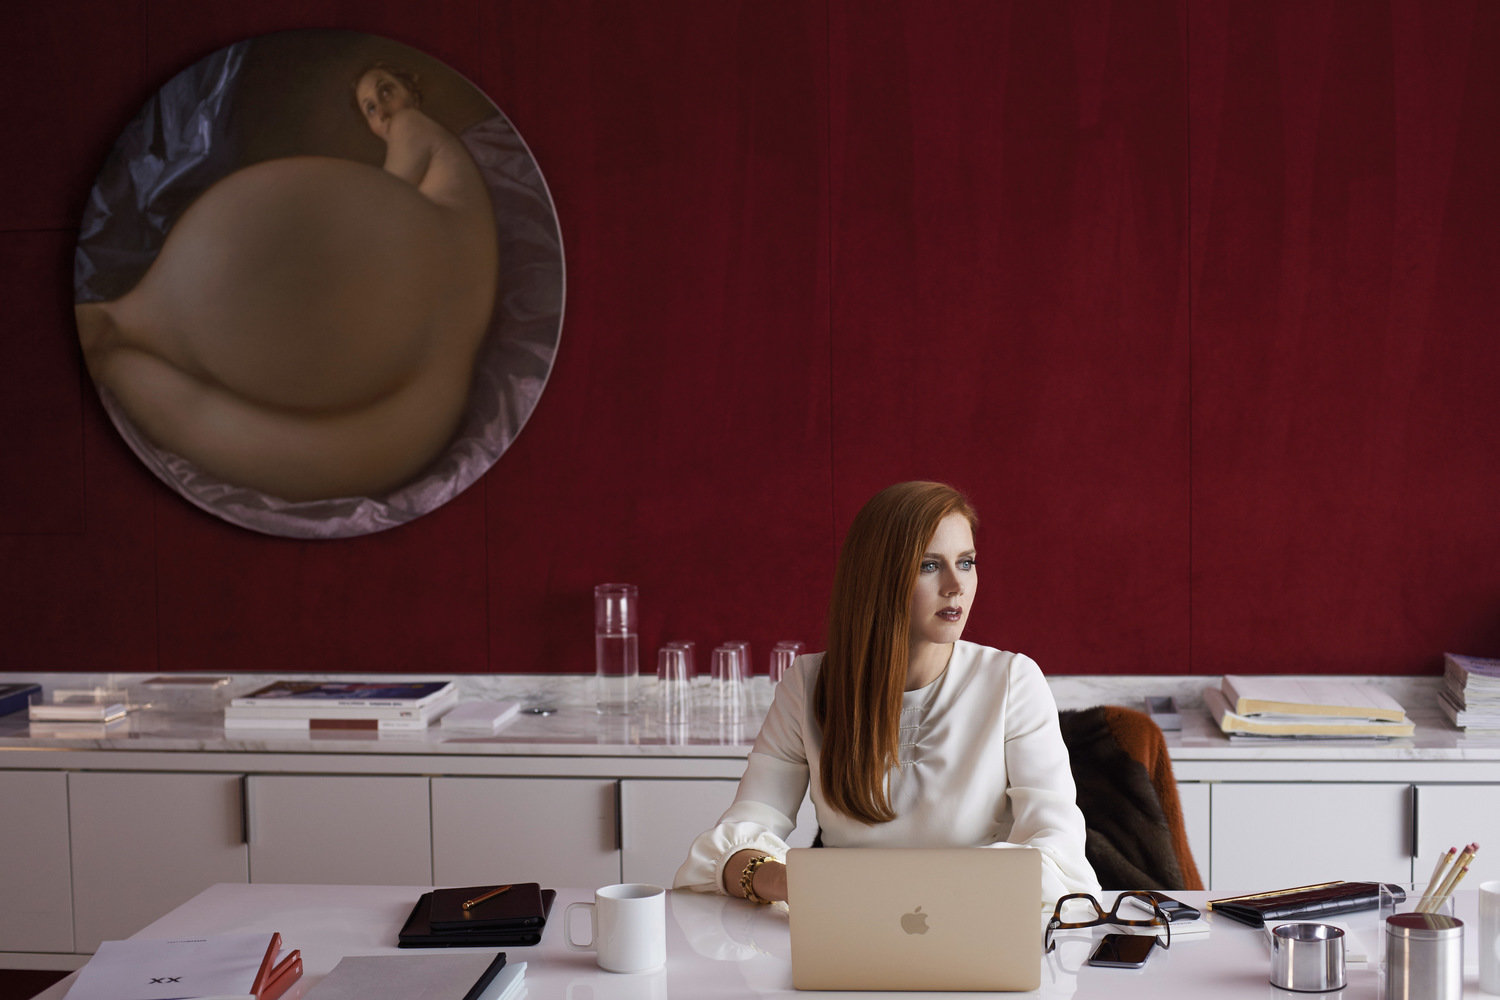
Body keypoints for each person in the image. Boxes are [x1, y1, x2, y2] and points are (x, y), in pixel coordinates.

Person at [74, 62, 498, 503]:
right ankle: (118, 347)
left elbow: (386, 200)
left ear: (410, 89)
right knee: (342, 451)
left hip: (434, 270)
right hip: (449, 342)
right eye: (371, 108)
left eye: (386, 91)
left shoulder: (414, 125)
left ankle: (117, 340)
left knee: (274, 436)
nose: (384, 110)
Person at [674, 481, 1099, 904]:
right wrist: (790, 882)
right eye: (929, 565)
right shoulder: (808, 683)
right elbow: (741, 834)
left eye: (966, 562)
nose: (956, 585)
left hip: (976, 916)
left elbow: (1058, 849)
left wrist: (922, 889)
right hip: (848, 922)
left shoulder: (1011, 680)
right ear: (878, 576)